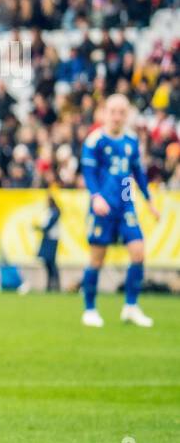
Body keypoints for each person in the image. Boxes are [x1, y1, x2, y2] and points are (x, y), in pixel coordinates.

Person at [80, 94, 161, 327]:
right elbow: (89, 174)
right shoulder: (95, 140)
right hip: (103, 206)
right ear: (105, 112)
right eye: (113, 111)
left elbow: (138, 173)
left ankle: (131, 307)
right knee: (97, 258)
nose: (117, 116)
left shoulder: (131, 141)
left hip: (126, 202)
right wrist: (96, 197)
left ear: (127, 115)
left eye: (122, 112)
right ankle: (90, 309)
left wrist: (149, 200)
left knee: (138, 251)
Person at [36, 193, 62, 292]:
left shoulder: (55, 212)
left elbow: (49, 225)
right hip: (47, 238)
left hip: (52, 239)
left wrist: (41, 228)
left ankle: (55, 284)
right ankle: (50, 284)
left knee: (51, 262)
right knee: (47, 262)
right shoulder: (49, 211)